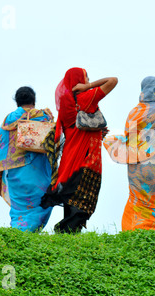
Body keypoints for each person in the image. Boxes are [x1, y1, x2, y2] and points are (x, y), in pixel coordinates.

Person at [41, 67, 118, 233]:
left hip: (69, 159)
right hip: (86, 158)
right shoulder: (86, 98)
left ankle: (68, 235)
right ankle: (64, 230)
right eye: (86, 78)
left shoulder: (65, 103)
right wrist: (89, 86)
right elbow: (113, 80)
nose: (88, 82)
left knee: (71, 197)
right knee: (84, 201)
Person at [103, 76, 155, 232]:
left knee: (141, 201)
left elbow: (130, 141)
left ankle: (135, 231)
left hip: (137, 168)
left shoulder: (134, 112)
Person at [0, 86, 54, 232]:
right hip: (37, 170)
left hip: (14, 171)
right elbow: (53, 139)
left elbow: (2, 147)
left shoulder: (8, 120)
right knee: (41, 202)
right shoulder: (43, 116)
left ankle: (17, 231)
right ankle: (27, 233)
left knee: (19, 207)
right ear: (34, 100)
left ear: (17, 101)